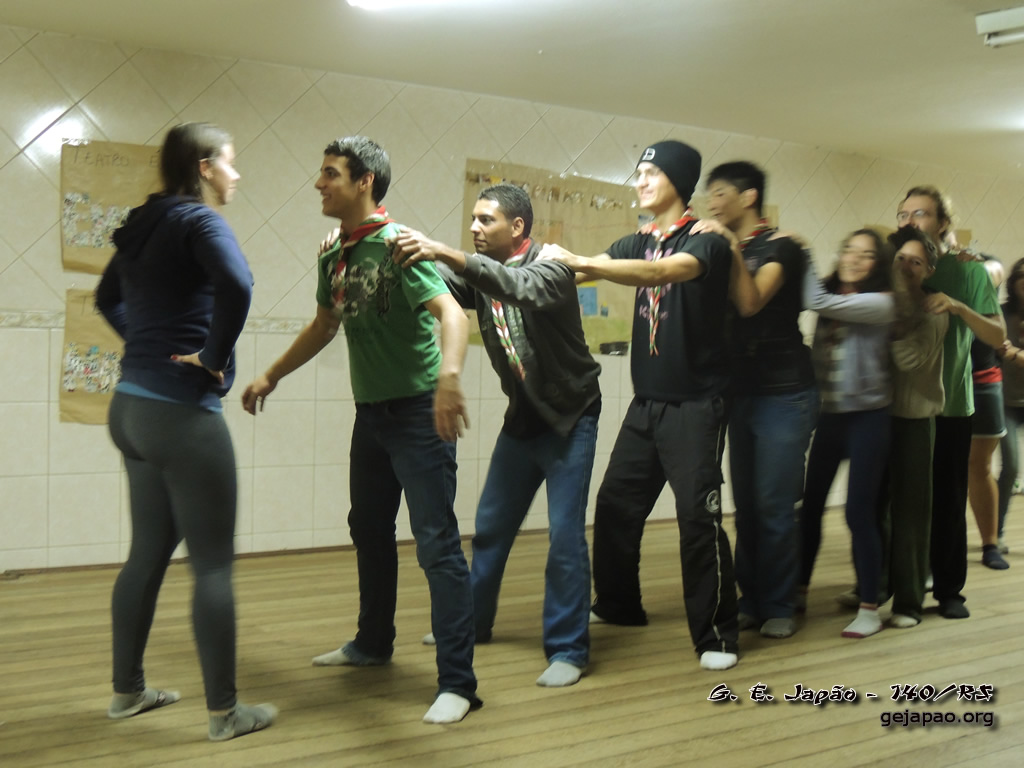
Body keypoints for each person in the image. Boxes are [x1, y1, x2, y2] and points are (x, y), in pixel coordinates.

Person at [240, 136, 480, 724]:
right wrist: (271, 374)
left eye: (331, 174)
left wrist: (450, 378)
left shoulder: (400, 246)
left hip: (419, 415)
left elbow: (451, 312)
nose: (319, 184)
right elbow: (325, 324)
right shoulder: (335, 254)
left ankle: (458, 683)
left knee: (437, 543)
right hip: (370, 414)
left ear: (364, 180)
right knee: (368, 529)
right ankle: (373, 644)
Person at [96, 122, 276, 741]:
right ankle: (226, 714)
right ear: (204, 167)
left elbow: (106, 299)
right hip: (180, 415)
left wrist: (147, 348)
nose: (235, 173)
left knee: (147, 551)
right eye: (230, 162)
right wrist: (213, 357)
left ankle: (127, 693)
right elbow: (238, 283)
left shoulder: (143, 223)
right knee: (213, 566)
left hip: (130, 408)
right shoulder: (199, 221)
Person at [540, 140, 739, 671]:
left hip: (696, 405)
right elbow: (587, 272)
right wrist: (527, 268)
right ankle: (620, 604)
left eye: (652, 172)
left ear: (680, 181)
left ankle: (717, 636)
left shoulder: (705, 241)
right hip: (647, 403)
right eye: (639, 172)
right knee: (615, 505)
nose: (641, 181)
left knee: (697, 518)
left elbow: (659, 274)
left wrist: (581, 260)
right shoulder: (639, 240)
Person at [393, 183, 601, 687]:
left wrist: (446, 251)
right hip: (523, 420)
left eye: (485, 220)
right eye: (473, 219)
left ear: (518, 227)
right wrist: (380, 243)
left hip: (570, 420)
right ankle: (472, 625)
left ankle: (569, 650)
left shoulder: (552, 267)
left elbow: (515, 286)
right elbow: (438, 279)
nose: (474, 227)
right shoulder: (484, 274)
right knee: (489, 528)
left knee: (565, 537)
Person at [704, 161, 817, 640]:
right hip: (741, 392)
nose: (711, 203)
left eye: (719, 193)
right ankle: (751, 600)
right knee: (746, 506)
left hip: (785, 393)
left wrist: (729, 246)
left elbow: (751, 302)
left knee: (774, 504)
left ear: (748, 197)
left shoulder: (781, 247)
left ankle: (779, 604)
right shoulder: (725, 246)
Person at [897, 186, 1004, 618]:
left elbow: (997, 335)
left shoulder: (967, 270)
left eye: (920, 213)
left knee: (947, 500)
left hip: (952, 405)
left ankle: (949, 591)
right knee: (900, 502)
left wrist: (959, 307)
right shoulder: (895, 264)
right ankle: (897, 586)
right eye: (903, 213)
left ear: (943, 222)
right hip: (899, 405)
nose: (910, 220)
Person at [799, 229, 894, 639]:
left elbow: (816, 300)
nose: (853, 259)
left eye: (865, 254)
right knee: (810, 509)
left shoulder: (882, 302)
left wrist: (802, 249)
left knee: (858, 512)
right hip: (832, 417)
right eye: (848, 250)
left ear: (878, 264)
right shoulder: (833, 294)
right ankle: (797, 592)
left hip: (869, 419)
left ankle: (869, 608)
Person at [884, 227, 948, 627]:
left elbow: (909, 359)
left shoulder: (933, 311)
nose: (906, 267)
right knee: (874, 509)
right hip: (876, 417)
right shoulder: (881, 300)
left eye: (916, 261)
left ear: (928, 270)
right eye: (900, 259)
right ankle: (875, 588)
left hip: (914, 421)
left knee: (911, 514)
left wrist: (880, 329)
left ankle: (908, 602)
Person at [967, 257, 1010, 570]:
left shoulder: (988, 299)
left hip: (984, 381)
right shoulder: (941, 287)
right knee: (942, 470)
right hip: (945, 384)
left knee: (980, 466)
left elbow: (995, 270)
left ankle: (990, 544)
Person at [997, 258, 1024, 556]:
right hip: (1005, 402)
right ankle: (996, 533)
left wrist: (1013, 353)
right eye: (1022, 275)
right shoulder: (1002, 313)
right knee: (1011, 467)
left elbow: (1006, 351)